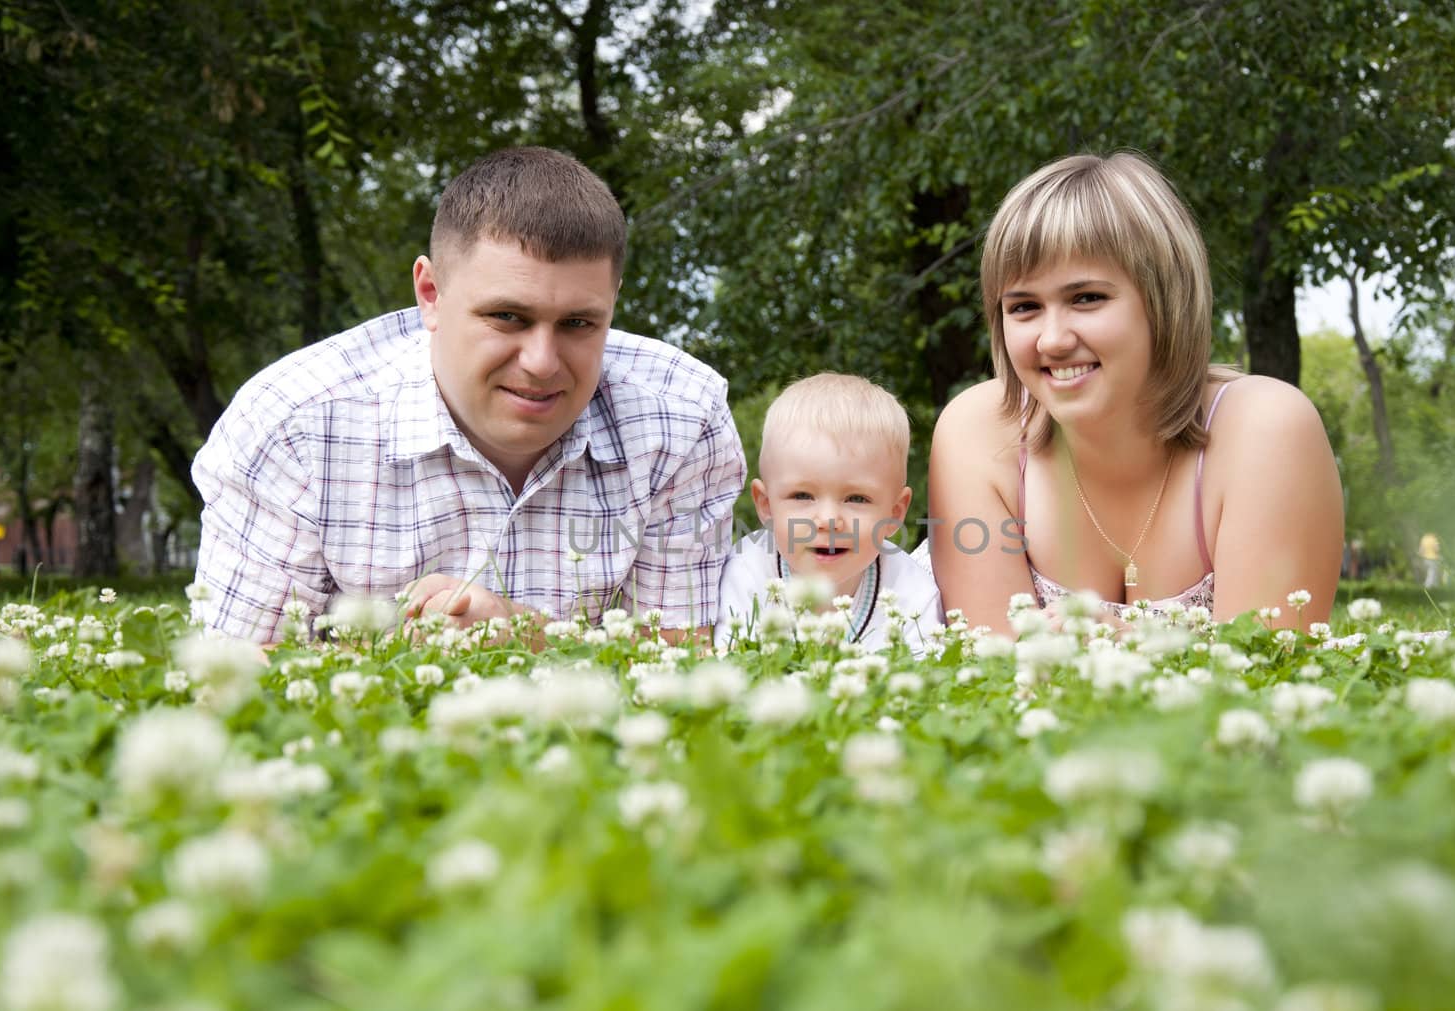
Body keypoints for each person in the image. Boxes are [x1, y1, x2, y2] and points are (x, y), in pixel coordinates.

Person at [191, 147, 746, 644]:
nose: (542, 362)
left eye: (579, 323)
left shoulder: (681, 418)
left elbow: (683, 657)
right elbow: (234, 674)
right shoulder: (295, 425)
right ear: (430, 293)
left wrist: (523, 635)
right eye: (507, 317)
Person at [928, 153, 1343, 633]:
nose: (1053, 339)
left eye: (1087, 298)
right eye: (1024, 306)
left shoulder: (1266, 428)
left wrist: (1126, 645)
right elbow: (991, 672)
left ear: (1165, 299)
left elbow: (1269, 673)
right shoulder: (978, 432)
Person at [716, 373, 943, 655]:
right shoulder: (746, 574)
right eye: (802, 496)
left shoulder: (912, 594)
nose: (828, 520)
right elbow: (732, 664)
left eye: (857, 499)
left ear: (894, 514)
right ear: (766, 506)